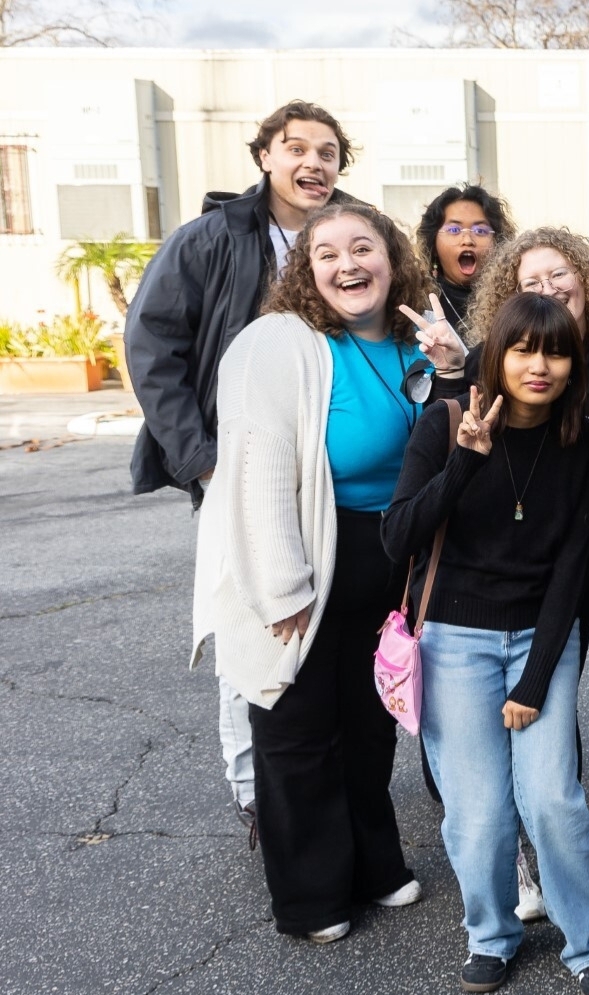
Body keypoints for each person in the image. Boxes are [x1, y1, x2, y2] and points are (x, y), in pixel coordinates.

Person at [190, 203, 459, 943]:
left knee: (370, 724)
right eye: (327, 254)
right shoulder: (279, 343)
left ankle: (375, 865)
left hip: (389, 552)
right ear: (306, 272)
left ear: (392, 258)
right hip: (311, 547)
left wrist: (455, 366)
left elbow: (451, 438)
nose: (348, 265)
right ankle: (311, 897)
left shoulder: (413, 339)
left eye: (363, 247)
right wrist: (283, 587)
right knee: (299, 729)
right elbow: (260, 471)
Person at [125, 99, 362, 842]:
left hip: (331, 469)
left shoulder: (351, 235)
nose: (314, 163)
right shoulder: (211, 237)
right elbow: (151, 342)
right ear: (265, 156)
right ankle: (254, 788)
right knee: (250, 616)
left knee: (323, 623)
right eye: (297, 148)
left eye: (328, 151)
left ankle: (328, 779)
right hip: (236, 467)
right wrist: (201, 461)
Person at [380, 292, 589, 995]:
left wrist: (536, 679)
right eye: (523, 349)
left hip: (542, 636)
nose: (539, 366)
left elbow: (573, 568)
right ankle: (490, 934)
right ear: (497, 355)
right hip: (454, 638)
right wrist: (461, 465)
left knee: (552, 799)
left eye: (555, 352)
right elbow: (396, 539)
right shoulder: (446, 423)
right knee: (480, 812)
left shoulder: (582, 439)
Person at [465, 227, 589, 808]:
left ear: (584, 279)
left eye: (559, 275)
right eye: (532, 281)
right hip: (550, 543)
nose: (548, 288)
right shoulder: (495, 359)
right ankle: (556, 788)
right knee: (554, 665)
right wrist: (453, 370)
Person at [414, 184, 515, 342]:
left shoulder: (515, 300)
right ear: (433, 244)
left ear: (499, 243)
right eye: (454, 230)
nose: (467, 240)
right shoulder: (418, 301)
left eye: (480, 231)